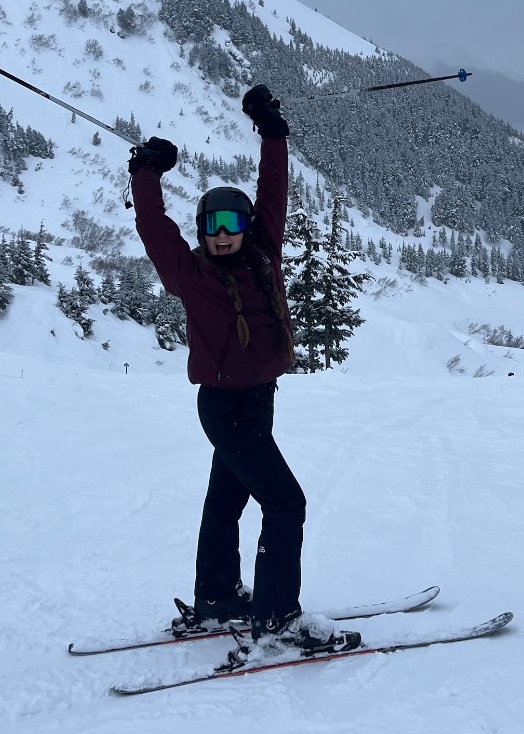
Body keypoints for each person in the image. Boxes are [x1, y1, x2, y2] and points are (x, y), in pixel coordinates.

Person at [126, 84, 358, 655]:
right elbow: (154, 227)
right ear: (202, 233)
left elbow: (272, 190)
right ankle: (277, 620)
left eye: (233, 222)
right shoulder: (190, 276)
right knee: (286, 502)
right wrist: (145, 173)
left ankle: (218, 598)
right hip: (224, 406)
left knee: (226, 500)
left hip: (259, 397)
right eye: (213, 225)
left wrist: (273, 133)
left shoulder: (265, 254)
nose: (224, 233)